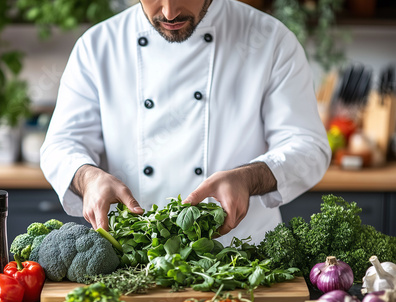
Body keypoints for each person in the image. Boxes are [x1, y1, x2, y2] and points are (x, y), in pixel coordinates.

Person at [40, 0, 332, 246]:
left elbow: (309, 146)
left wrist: (249, 178)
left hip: (243, 257)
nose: (169, 13)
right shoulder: (98, 46)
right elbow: (61, 145)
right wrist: (88, 178)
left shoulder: (270, 40)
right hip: (133, 259)